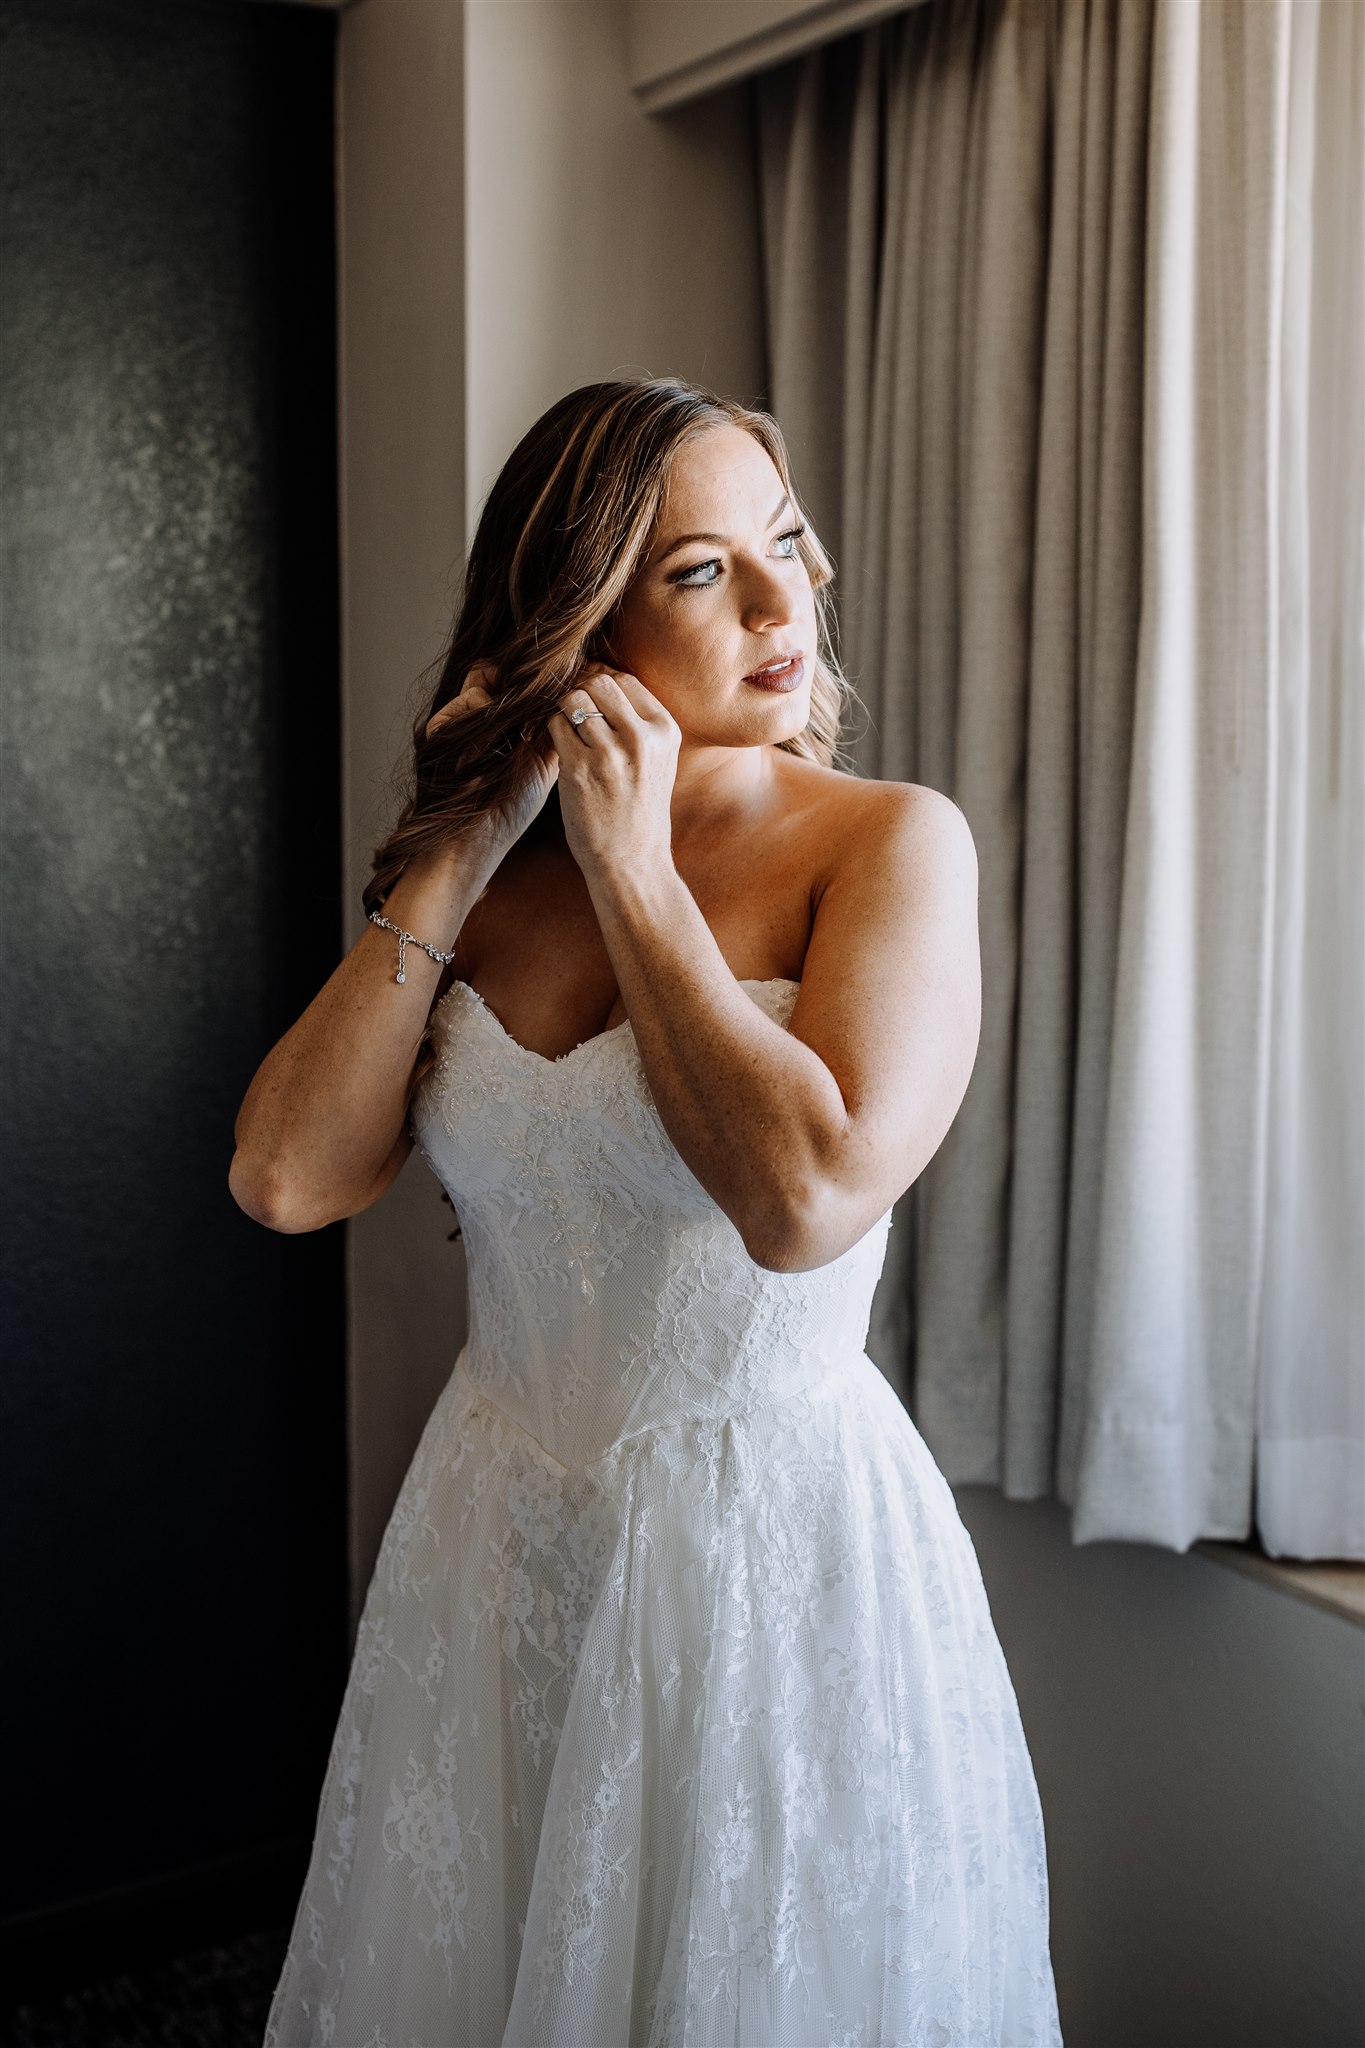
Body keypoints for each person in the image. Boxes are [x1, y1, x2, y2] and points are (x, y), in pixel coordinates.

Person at [234, 377, 1063, 2047]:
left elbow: (804, 1199)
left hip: (769, 1556)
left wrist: (637, 874)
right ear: (577, 624)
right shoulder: (492, 875)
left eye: (783, 548)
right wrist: (460, 850)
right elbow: (287, 1177)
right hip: (496, 1537)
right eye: (699, 572)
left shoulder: (892, 846)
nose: (780, 606)